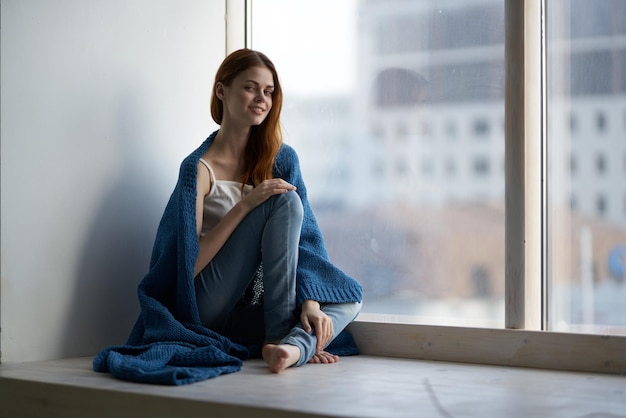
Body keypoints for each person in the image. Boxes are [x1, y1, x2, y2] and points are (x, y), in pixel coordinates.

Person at [192, 48, 363, 373]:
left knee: (347, 298)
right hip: (207, 304)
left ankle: (291, 349)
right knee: (284, 200)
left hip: (254, 308)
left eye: (268, 91)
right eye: (250, 87)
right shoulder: (199, 169)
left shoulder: (281, 161)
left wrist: (309, 303)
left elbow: (305, 243)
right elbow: (188, 265)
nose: (261, 98)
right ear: (221, 90)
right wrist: (245, 205)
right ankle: (284, 336)